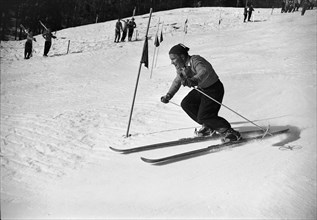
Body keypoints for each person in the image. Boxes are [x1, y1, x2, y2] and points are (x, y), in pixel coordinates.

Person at [160, 44, 241, 142]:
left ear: (182, 56)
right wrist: (169, 95)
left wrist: (194, 80)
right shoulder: (182, 67)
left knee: (205, 115)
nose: (172, 62)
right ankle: (208, 126)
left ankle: (230, 132)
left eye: (173, 59)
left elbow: (204, 71)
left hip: (214, 89)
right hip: (202, 89)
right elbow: (178, 80)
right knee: (186, 104)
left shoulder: (196, 60)